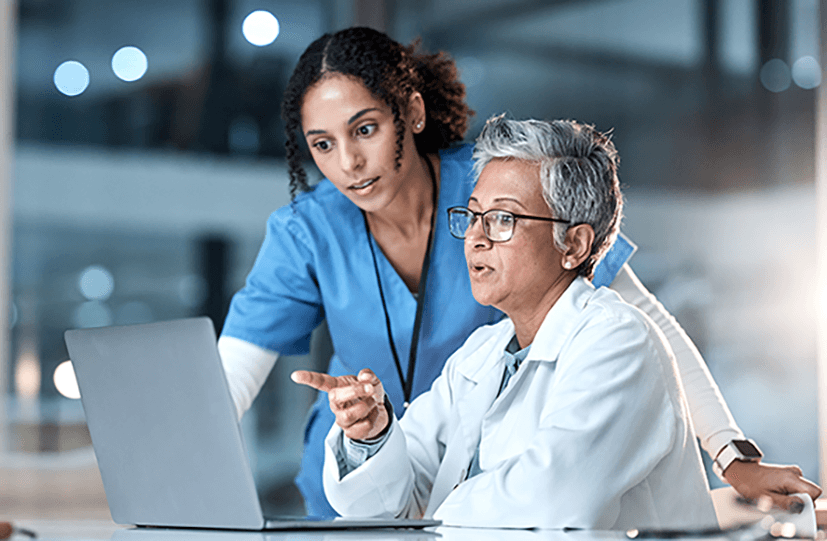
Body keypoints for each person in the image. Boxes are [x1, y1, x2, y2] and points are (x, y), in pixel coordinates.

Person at [217, 26, 821, 517]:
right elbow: (228, 382)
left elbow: (647, 322)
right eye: (321, 145)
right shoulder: (312, 231)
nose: (347, 163)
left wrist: (730, 452)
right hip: (384, 481)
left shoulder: (497, 185)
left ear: (413, 114)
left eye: (365, 130)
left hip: (484, 498)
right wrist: (369, 435)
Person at [292, 116, 719, 529]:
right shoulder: (484, 352)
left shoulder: (619, 341)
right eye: (474, 215)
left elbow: (553, 502)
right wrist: (372, 437)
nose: (476, 237)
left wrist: (433, 515)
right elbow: (392, 500)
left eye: (502, 219)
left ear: (573, 244)